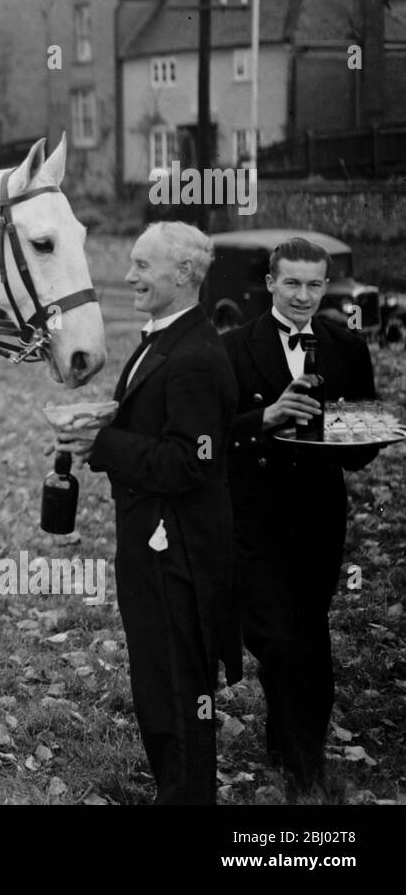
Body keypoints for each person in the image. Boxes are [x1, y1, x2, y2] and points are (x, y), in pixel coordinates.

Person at [56, 222, 240, 804]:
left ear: (183, 274)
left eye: (143, 266)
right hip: (150, 547)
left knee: (181, 693)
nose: (129, 276)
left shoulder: (196, 355)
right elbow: (161, 429)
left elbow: (192, 462)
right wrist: (102, 425)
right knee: (157, 686)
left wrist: (104, 447)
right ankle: (174, 788)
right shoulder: (163, 337)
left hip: (178, 555)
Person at [220, 237, 377, 803]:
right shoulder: (234, 347)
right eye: (292, 283)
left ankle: (294, 747)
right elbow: (214, 435)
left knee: (309, 635)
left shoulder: (346, 347)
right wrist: (268, 417)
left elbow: (362, 445)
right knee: (277, 637)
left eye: (315, 284)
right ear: (269, 283)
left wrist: (353, 435)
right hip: (254, 518)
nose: (304, 296)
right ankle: (305, 768)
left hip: (317, 516)